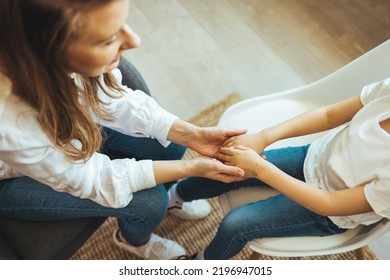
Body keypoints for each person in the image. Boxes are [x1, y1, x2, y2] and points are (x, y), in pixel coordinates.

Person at [0, 0, 247, 260]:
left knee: (172, 142)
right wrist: (191, 168)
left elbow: (109, 99)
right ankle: (133, 240)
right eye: (108, 40)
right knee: (150, 203)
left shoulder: (42, 60)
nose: (134, 41)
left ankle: (173, 197)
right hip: (11, 181)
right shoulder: (12, 124)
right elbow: (91, 179)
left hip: (59, 131)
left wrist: (190, 133)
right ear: (49, 52)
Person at [174, 77, 390, 260]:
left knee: (235, 225)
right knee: (225, 164)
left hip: (328, 212)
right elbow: (328, 115)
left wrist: (261, 169)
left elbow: (329, 205)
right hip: (314, 158)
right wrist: (263, 137)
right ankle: (174, 198)